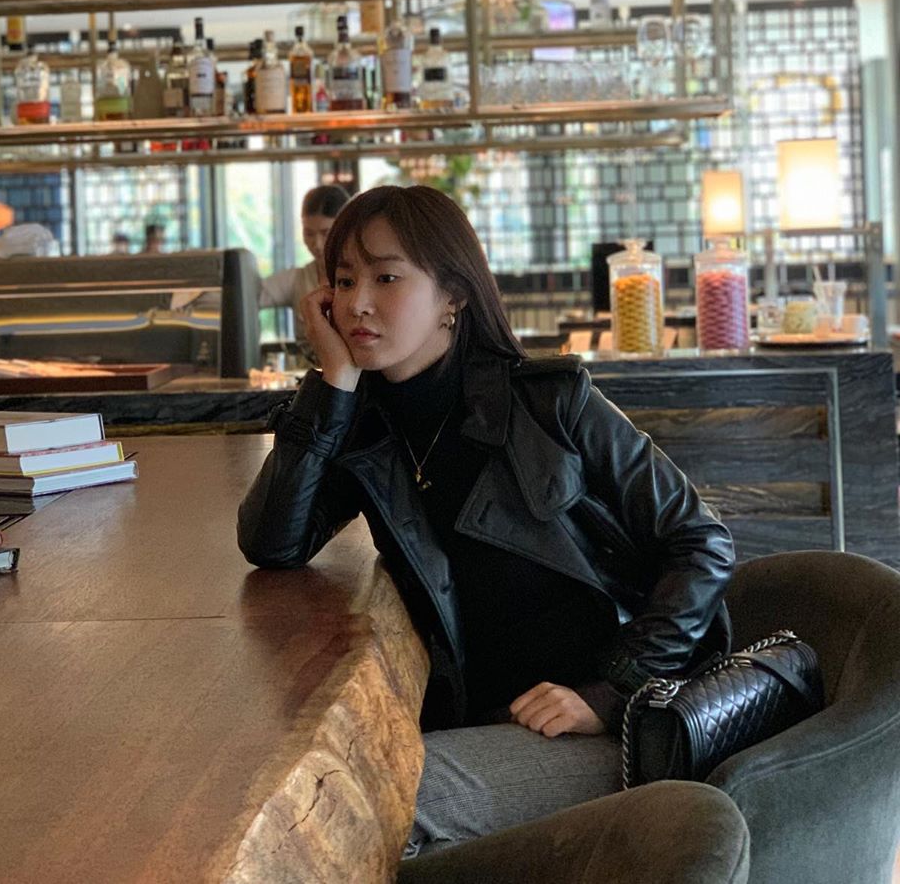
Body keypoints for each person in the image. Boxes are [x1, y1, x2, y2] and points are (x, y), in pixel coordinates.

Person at [237, 185, 734, 857]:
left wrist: (612, 690)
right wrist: (332, 383)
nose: (357, 304)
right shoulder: (367, 427)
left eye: (387, 278)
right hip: (482, 722)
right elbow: (273, 542)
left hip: (608, 723)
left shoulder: (551, 404)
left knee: (352, 814)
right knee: (302, 790)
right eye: (344, 280)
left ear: (454, 295)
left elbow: (701, 541)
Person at [258, 184, 349, 354]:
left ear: (345, 229)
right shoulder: (297, 279)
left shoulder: (366, 277)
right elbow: (245, 298)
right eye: (309, 233)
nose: (317, 244)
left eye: (326, 233)